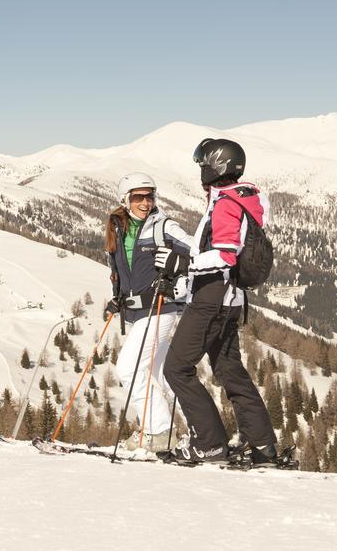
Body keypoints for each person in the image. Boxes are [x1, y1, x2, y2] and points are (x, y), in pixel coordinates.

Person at [162, 138, 277, 464]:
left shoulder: (225, 204)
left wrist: (186, 264)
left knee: (176, 368)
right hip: (232, 299)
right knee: (229, 371)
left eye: (203, 166)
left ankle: (209, 444)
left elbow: (225, 255)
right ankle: (262, 445)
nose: (200, 172)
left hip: (212, 299)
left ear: (214, 167)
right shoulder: (243, 200)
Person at [104, 172, 192, 450]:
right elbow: (122, 270)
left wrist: (180, 260)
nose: (145, 202)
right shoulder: (119, 228)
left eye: (149, 196)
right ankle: (197, 434)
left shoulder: (163, 226)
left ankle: (160, 432)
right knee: (158, 374)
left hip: (161, 308)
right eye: (138, 197)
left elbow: (200, 251)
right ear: (125, 200)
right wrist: (117, 299)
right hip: (138, 312)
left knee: (128, 369)